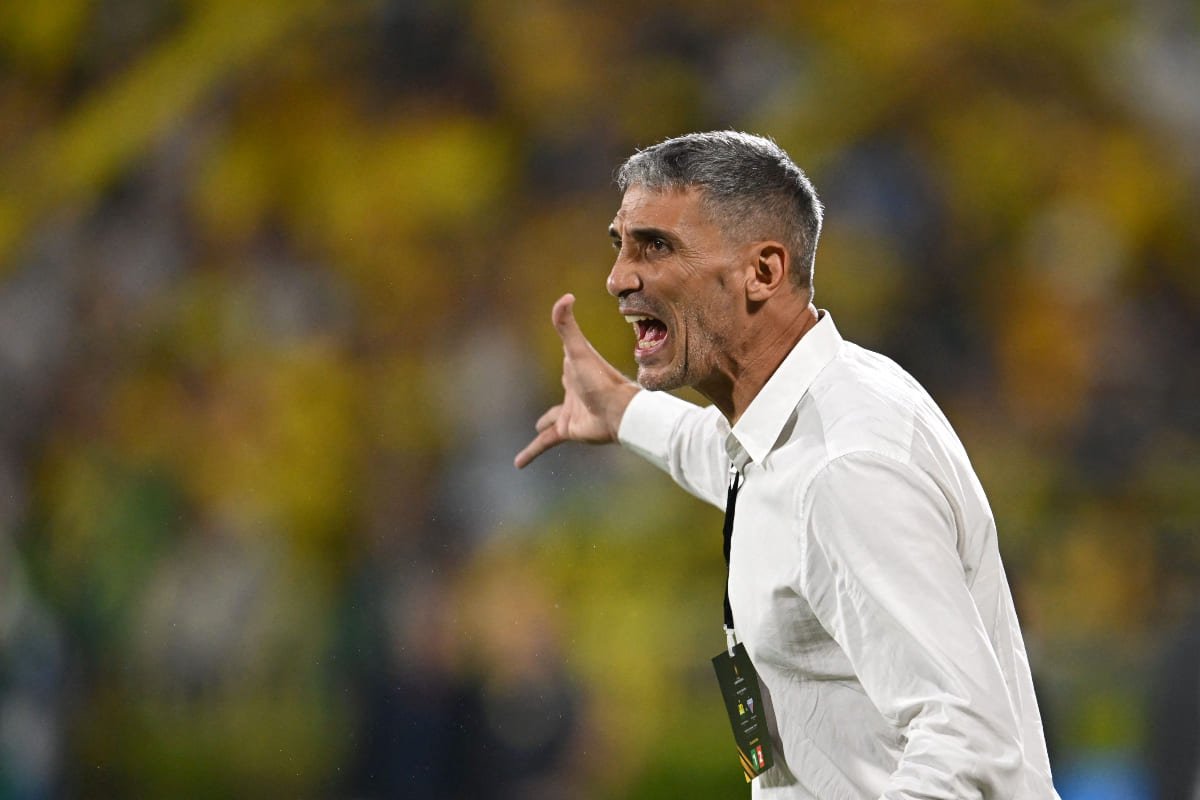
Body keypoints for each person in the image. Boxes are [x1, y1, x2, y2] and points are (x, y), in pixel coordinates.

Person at [514, 131, 1058, 798]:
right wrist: (623, 410)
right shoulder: (809, 412)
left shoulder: (849, 466)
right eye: (620, 245)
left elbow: (968, 741)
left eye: (656, 246)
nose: (618, 277)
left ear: (763, 272)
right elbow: (739, 468)